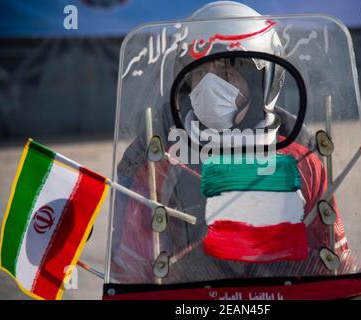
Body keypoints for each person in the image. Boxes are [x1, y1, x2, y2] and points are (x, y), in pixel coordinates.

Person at [109, 1, 348, 285]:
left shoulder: (300, 160)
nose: (209, 86)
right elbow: (132, 274)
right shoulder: (162, 164)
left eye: (227, 72)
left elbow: (337, 266)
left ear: (264, 83)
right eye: (200, 73)